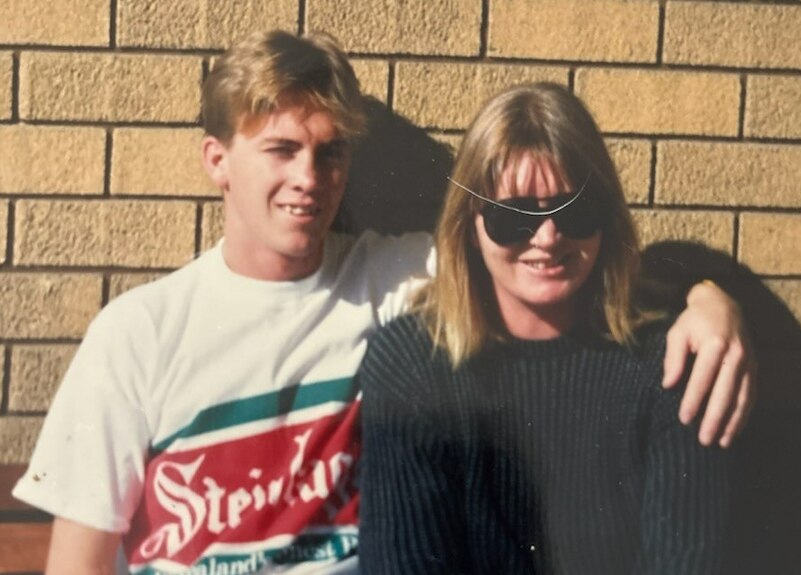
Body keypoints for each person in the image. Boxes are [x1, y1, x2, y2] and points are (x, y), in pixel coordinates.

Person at [13, 31, 749, 574]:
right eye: (281, 149)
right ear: (217, 161)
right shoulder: (138, 334)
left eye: (331, 152)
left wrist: (707, 295)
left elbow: (547, 257)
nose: (310, 177)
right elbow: (77, 560)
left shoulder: (393, 277)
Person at [359, 83, 737, 574]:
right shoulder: (411, 363)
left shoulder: (669, 363)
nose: (549, 237)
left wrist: (711, 292)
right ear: (470, 224)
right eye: (513, 217)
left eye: (575, 211)